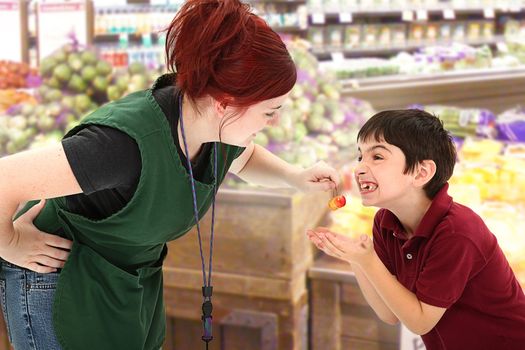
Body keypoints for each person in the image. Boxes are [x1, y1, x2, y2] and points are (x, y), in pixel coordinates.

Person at [0, 1, 340, 349]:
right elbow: (4, 178)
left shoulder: (210, 126)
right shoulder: (122, 145)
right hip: (62, 283)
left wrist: (294, 177)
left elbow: (243, 157)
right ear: (225, 103)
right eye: (270, 111)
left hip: (122, 282)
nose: (275, 122)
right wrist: (9, 243)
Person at [307, 109, 525, 350]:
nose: (359, 168)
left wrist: (367, 261)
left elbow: (420, 322)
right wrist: (354, 259)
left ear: (421, 173)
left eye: (377, 157)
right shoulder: (385, 222)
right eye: (360, 157)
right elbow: (389, 313)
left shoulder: (458, 231)